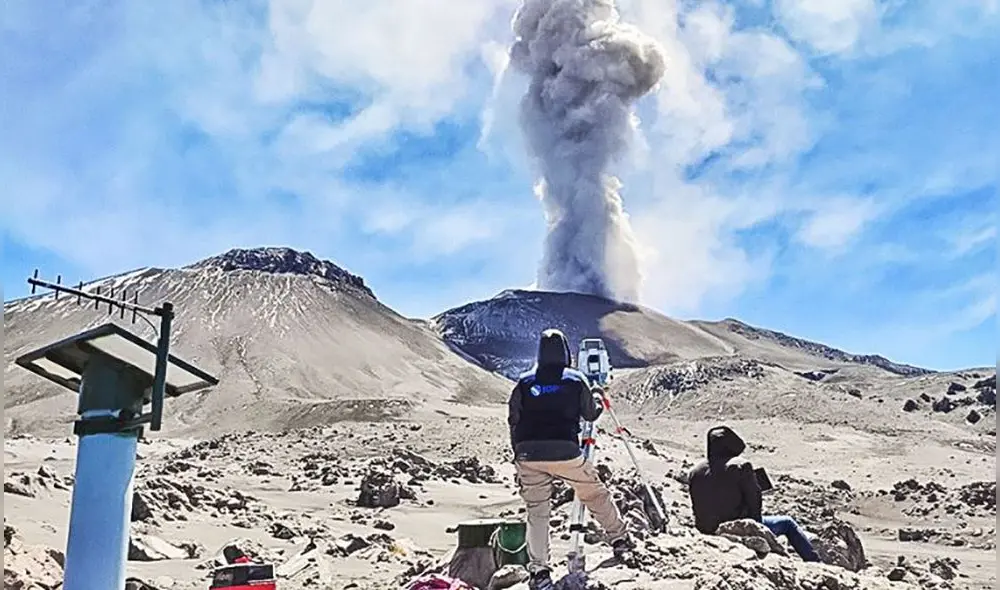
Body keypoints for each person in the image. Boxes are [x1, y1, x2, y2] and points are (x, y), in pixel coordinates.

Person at [508, 329, 633, 590]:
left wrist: (518, 455)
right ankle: (619, 539)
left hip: (528, 454)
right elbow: (590, 414)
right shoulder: (575, 379)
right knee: (594, 493)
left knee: (537, 512)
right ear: (565, 352)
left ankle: (539, 572)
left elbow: (514, 420)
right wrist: (597, 396)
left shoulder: (524, 382)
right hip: (565, 451)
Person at [687, 425, 820, 562]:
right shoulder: (741, 466)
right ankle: (814, 561)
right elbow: (755, 501)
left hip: (706, 529)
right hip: (736, 528)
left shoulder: (695, 471)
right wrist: (757, 526)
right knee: (787, 523)